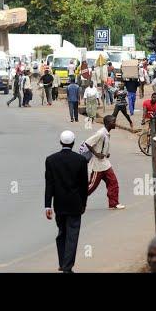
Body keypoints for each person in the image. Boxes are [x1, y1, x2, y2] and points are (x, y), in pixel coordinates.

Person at [45, 130, 88, 273]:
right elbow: (84, 185)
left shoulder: (51, 160)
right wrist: (84, 203)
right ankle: (67, 267)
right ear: (74, 142)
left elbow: (49, 184)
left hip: (59, 205)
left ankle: (63, 262)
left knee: (62, 233)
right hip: (75, 204)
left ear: (60, 142)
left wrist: (47, 206)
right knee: (72, 235)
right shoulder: (81, 160)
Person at [85, 115, 125, 209]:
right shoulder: (101, 133)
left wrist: (106, 154)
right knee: (91, 186)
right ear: (108, 123)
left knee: (113, 182)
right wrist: (96, 153)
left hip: (105, 163)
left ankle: (113, 203)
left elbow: (102, 146)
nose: (115, 123)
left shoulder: (106, 133)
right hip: (97, 165)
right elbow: (88, 142)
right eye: (113, 121)